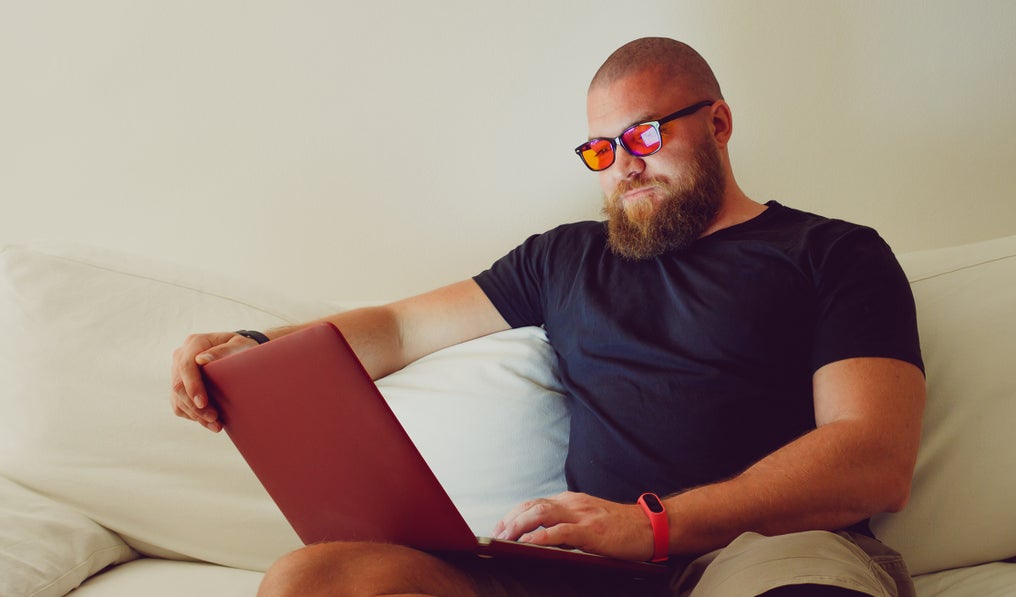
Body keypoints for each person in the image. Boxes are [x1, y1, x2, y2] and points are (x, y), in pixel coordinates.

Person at [171, 37, 925, 597]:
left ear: (720, 123)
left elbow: (873, 457)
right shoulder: (563, 258)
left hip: (760, 551)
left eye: (645, 136)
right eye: (603, 149)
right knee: (316, 578)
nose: (624, 165)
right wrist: (256, 347)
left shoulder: (832, 253)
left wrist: (652, 524)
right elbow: (400, 328)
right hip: (581, 570)